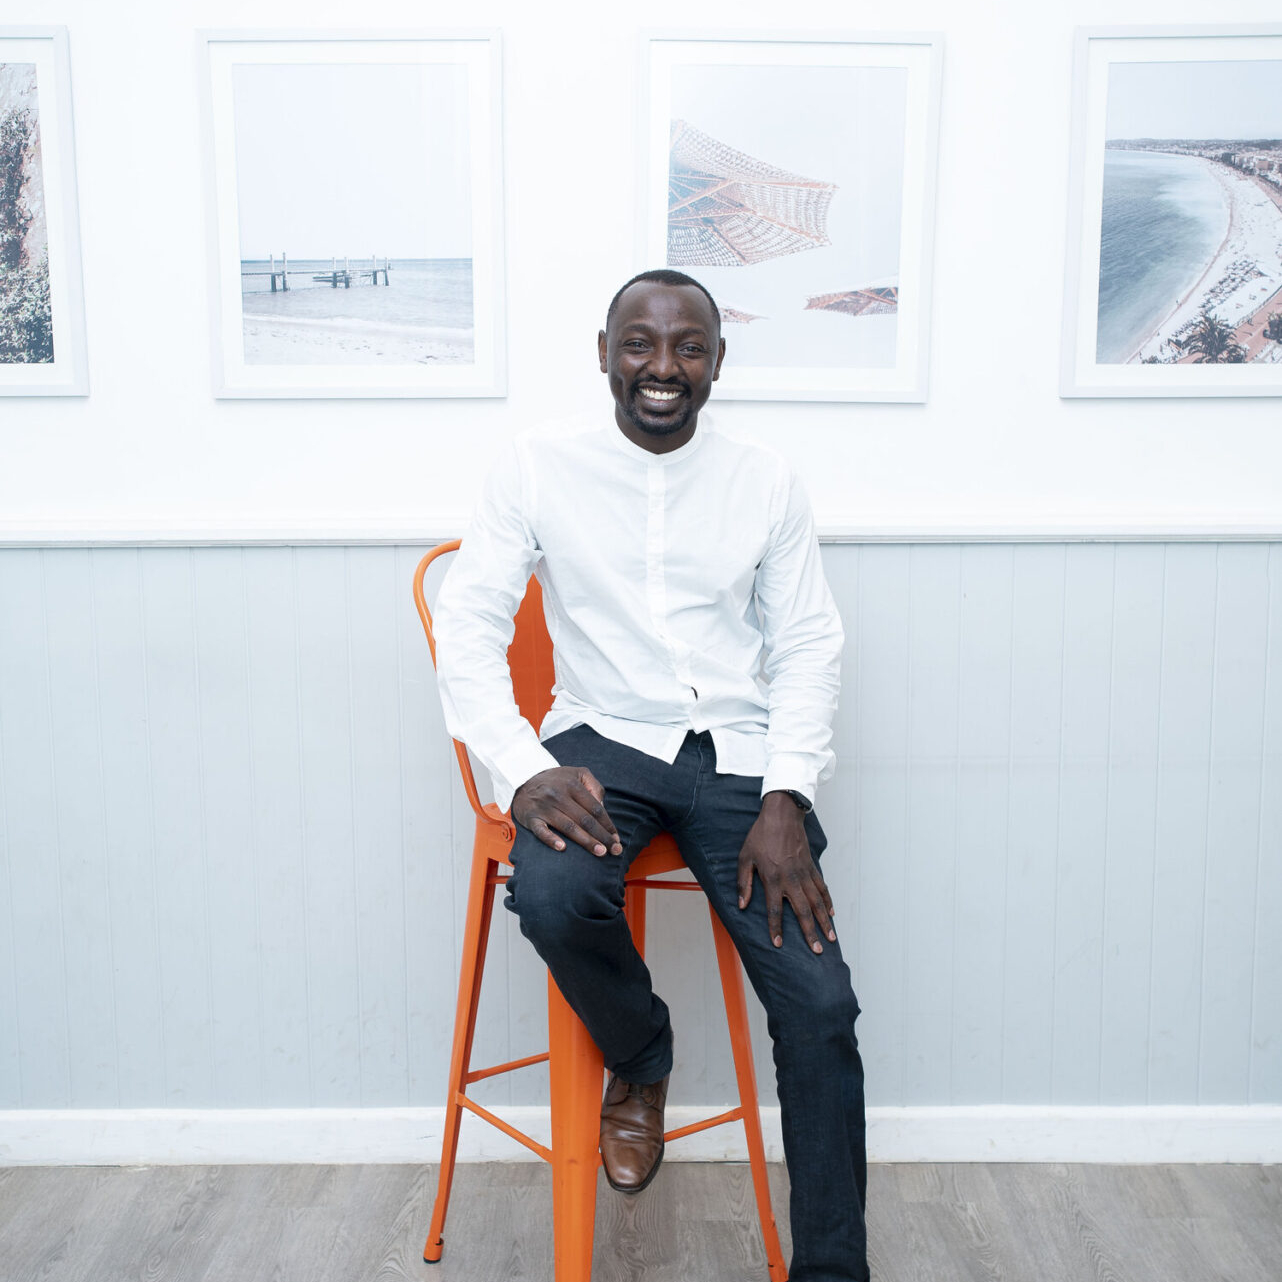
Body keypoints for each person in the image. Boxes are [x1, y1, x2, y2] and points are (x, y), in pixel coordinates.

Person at [433, 268, 868, 1282]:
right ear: (603, 352)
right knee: (548, 891)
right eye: (640, 344)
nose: (661, 368)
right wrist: (519, 765)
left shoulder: (764, 477)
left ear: (718, 361)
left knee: (820, 1005)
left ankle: (834, 1272)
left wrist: (786, 791)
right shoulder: (536, 467)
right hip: (602, 736)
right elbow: (469, 624)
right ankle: (641, 1055)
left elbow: (805, 642)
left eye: (687, 347)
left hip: (736, 753)